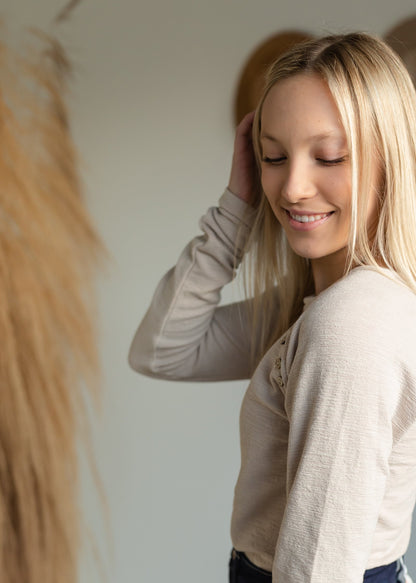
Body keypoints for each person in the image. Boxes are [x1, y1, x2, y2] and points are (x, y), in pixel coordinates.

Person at [129, 32, 416, 582]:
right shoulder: (321, 308)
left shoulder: (352, 324)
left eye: (328, 156)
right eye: (274, 157)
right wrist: (237, 206)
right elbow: (162, 350)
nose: (292, 188)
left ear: (390, 160)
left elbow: (319, 569)